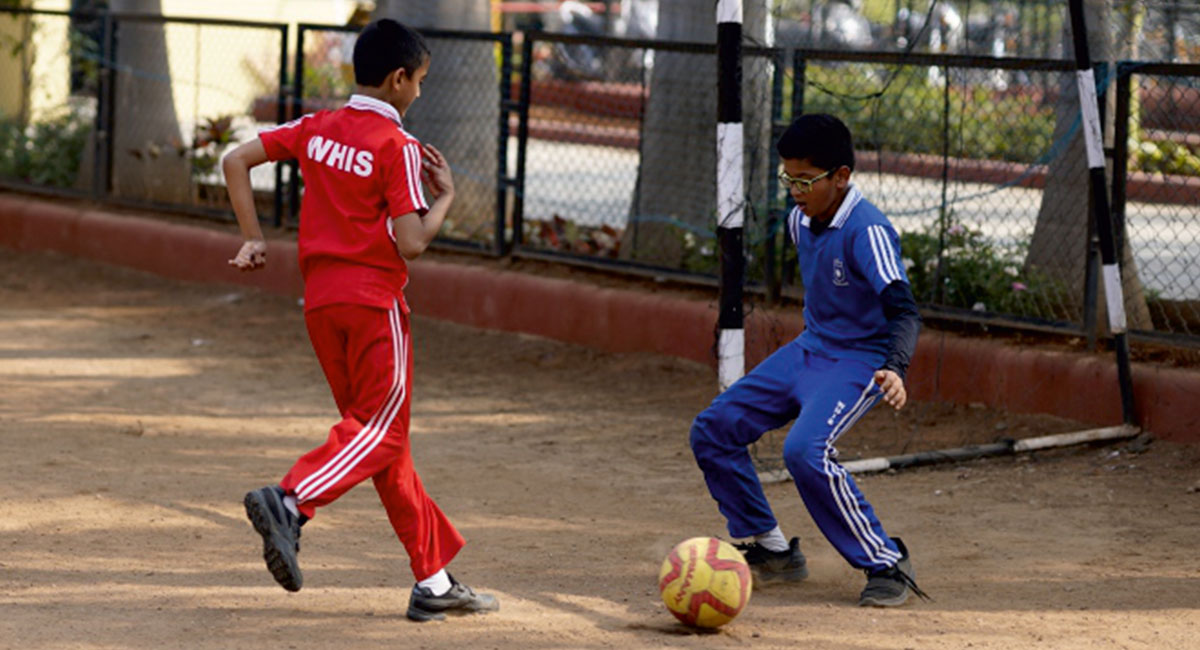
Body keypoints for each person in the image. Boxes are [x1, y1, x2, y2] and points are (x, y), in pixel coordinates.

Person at [220, 18, 498, 622]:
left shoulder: (318, 128)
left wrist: (254, 239)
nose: (420, 93)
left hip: (321, 306)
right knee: (383, 432)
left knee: (378, 443)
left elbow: (236, 159)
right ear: (399, 80)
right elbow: (412, 243)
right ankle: (291, 501)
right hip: (375, 306)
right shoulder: (396, 148)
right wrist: (445, 197)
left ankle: (435, 579)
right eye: (420, 82)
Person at [689, 114, 929, 607]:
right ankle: (772, 550)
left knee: (805, 452)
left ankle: (885, 561)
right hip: (809, 349)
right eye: (788, 179)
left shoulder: (869, 231)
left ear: (841, 176)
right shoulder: (801, 220)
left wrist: (896, 368)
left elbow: (904, 310)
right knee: (712, 428)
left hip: (859, 361)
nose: (794, 191)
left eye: (805, 180)